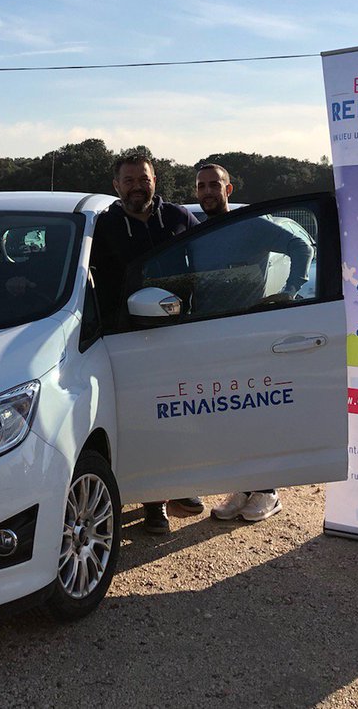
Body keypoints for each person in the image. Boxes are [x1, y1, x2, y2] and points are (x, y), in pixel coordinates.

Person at [88, 152, 201, 534]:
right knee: (144, 419)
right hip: (126, 337)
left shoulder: (179, 219)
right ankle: (155, 503)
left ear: (156, 180)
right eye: (130, 180)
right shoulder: (101, 227)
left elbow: (204, 266)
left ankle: (183, 484)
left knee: (184, 412)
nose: (138, 186)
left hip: (179, 333)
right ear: (116, 186)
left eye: (144, 178)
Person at [194, 163, 313, 523]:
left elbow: (302, 246)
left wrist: (290, 291)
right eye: (201, 186)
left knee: (255, 413)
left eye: (215, 185)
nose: (208, 191)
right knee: (225, 417)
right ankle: (243, 487)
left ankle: (268, 491)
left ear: (228, 190)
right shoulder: (194, 231)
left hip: (246, 334)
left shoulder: (252, 224)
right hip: (204, 335)